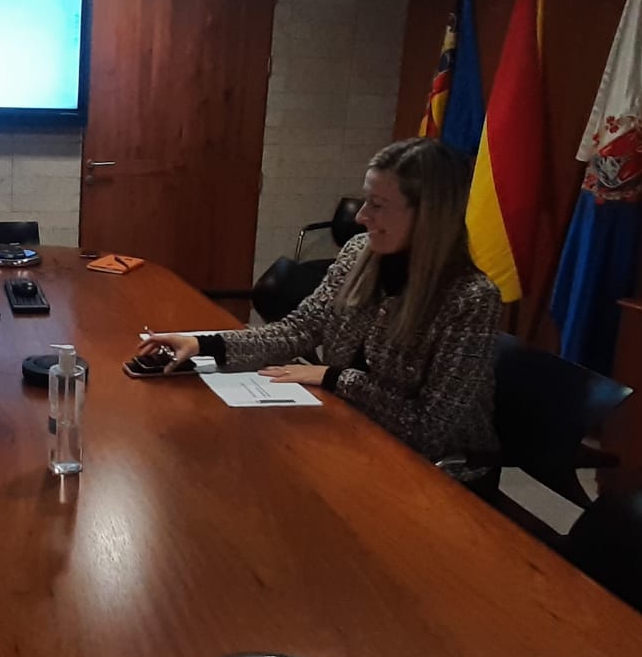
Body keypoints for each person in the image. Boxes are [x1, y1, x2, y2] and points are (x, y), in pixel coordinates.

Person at [138, 137, 502, 479]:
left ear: (429, 215)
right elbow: (301, 329)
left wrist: (335, 377)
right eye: (365, 200)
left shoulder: (470, 299)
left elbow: (430, 430)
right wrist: (206, 345)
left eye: (377, 205)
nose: (361, 216)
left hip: (436, 471)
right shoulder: (360, 253)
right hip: (350, 430)